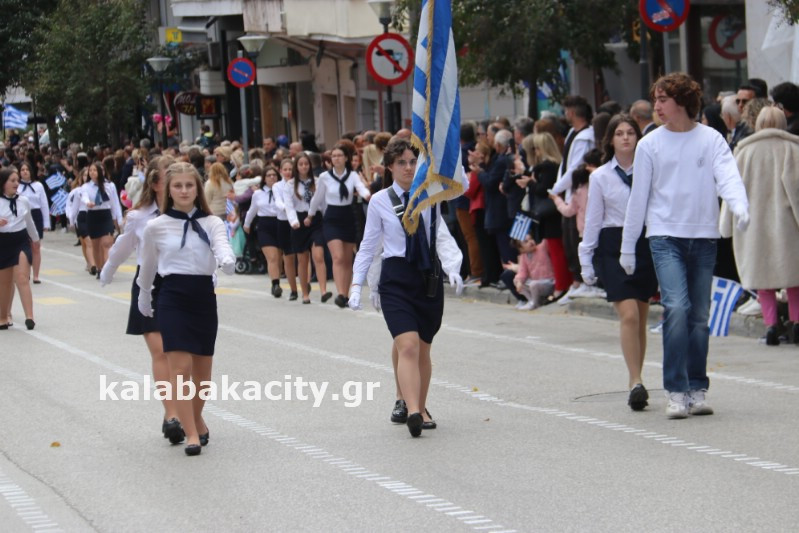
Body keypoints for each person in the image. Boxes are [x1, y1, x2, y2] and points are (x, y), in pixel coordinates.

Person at [621, 73, 750, 419]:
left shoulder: (711, 139)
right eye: (655, 99)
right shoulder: (650, 143)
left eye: (663, 99)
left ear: (682, 101)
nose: (657, 106)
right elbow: (638, 197)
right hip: (665, 236)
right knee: (677, 307)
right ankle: (676, 390)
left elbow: (728, 176)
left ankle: (696, 387)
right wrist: (627, 247)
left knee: (699, 317)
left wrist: (739, 205)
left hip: (704, 235)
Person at [349, 138, 463, 437]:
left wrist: (453, 266)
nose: (409, 168)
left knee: (423, 347)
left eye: (413, 162)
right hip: (396, 277)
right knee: (408, 345)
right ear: (389, 166)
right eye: (401, 162)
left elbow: (440, 234)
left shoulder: (429, 196)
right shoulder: (379, 201)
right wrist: (357, 284)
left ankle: (421, 407)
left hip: (427, 277)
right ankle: (412, 410)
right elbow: (369, 246)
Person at [137, 162, 235, 456]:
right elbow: (147, 265)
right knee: (180, 369)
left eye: (189, 185)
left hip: (203, 296)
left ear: (198, 188)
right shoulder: (156, 226)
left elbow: (221, 245)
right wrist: (144, 295)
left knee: (202, 374)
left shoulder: (212, 222)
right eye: (177, 186)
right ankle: (191, 433)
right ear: (169, 190)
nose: (183, 191)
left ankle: (196, 417)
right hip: (172, 297)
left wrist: (227, 259)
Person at [99, 155, 183, 442]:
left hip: (180, 283)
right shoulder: (138, 216)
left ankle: (187, 412)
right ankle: (172, 415)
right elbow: (123, 246)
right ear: (156, 182)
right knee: (160, 351)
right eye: (169, 175)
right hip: (148, 283)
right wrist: (108, 270)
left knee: (180, 355)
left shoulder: (188, 213)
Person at [579, 114, 658, 411]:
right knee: (629, 314)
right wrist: (586, 257)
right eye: (619, 133)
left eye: (631, 133)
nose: (626, 138)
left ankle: (637, 377)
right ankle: (635, 381)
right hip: (612, 244)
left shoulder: (650, 171)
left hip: (644, 243)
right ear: (610, 140)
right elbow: (593, 219)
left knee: (641, 315)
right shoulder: (600, 176)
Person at [720, 106, 799, 346]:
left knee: (762, 279)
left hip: (752, 225)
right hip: (786, 224)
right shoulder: (792, 149)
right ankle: (797, 323)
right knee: (794, 278)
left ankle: (771, 326)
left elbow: (731, 191)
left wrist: (725, 225)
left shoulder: (744, 152)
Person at [307, 143, 371, 307]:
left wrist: (367, 195)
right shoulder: (325, 177)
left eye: (340, 155)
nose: (336, 158)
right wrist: (310, 214)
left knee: (348, 259)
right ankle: (340, 293)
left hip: (348, 216)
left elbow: (361, 188)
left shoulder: (352, 175)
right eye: (334, 156)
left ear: (346, 158)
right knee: (338, 257)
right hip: (332, 218)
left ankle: (345, 294)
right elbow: (317, 198)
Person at [550, 95, 595, 299]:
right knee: (569, 240)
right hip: (568, 192)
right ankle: (575, 282)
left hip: (578, 192)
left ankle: (583, 281)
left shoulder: (585, 136)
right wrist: (558, 187)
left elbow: (575, 166)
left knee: (577, 238)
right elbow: (565, 164)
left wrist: (557, 188)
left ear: (572, 112)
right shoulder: (572, 133)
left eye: (567, 110)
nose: (565, 114)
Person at [285, 153, 330, 303]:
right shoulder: (290, 184)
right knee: (302, 259)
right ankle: (305, 293)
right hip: (298, 220)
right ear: (296, 167)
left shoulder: (317, 182)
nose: (304, 167)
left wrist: (326, 218)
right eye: (301, 164)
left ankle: (323, 291)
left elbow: (323, 202)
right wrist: (293, 221)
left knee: (319, 255)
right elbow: (289, 206)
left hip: (315, 220)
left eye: (306, 164)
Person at [0, 167, 39, 330]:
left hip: (21, 241)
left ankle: (30, 317)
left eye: (17, 180)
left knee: (22, 277)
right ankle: (3, 317)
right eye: (13, 181)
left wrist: (35, 240)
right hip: (3, 242)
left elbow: (29, 222)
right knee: (5, 283)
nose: (17, 183)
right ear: (3, 183)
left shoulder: (23, 200)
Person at [244, 165, 283, 297]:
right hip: (265, 226)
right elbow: (252, 210)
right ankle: (275, 285)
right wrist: (247, 224)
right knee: (272, 257)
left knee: (279, 258)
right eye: (269, 175)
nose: (272, 177)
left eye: (274, 175)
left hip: (280, 224)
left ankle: (278, 279)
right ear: (264, 179)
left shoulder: (283, 191)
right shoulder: (258, 194)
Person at [81, 162, 123, 278]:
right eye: (90, 170)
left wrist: (118, 219)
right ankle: (99, 268)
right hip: (93, 216)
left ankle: (106, 270)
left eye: (95, 170)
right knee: (96, 246)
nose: (92, 172)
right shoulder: (86, 186)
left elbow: (115, 203)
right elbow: (84, 196)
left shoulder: (110, 185)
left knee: (106, 243)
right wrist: (88, 203)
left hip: (106, 215)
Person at [17, 161, 49, 284]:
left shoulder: (38, 185)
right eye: (22, 170)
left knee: (36, 246)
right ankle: (26, 273)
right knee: (25, 248)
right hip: (22, 216)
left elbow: (44, 204)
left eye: (27, 169)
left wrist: (46, 223)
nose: (25, 172)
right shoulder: (17, 186)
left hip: (36, 215)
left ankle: (36, 275)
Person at [275, 158, 300, 300]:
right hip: (284, 222)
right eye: (285, 169)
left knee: (302, 255)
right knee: (288, 256)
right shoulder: (277, 186)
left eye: (290, 169)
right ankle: (293, 289)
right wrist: (288, 209)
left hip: (298, 220)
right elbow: (278, 202)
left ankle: (305, 283)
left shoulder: (298, 184)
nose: (288, 172)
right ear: (280, 171)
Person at [513, 233, 554, 310]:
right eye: (526, 242)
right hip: (537, 282)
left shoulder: (541, 248)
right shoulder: (523, 257)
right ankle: (532, 301)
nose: (530, 242)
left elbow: (546, 240)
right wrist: (519, 281)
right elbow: (522, 271)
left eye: (531, 239)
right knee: (517, 281)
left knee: (533, 284)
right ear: (521, 248)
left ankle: (535, 303)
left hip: (549, 281)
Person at [66, 168, 95, 273]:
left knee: (93, 242)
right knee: (85, 242)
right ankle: (90, 263)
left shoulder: (96, 188)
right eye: (85, 175)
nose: (87, 177)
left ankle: (95, 262)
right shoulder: (76, 191)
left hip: (93, 216)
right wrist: (71, 219)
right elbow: (70, 206)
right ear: (80, 177)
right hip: (81, 218)